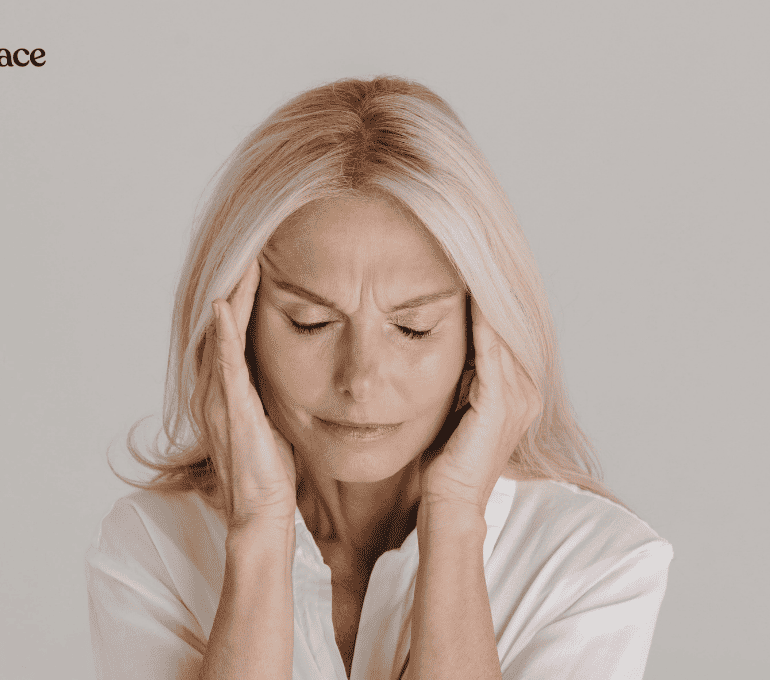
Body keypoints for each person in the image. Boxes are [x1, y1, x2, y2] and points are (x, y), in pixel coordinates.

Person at [85, 76, 672, 680]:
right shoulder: (153, 548)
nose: (360, 380)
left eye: (413, 328)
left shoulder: (595, 562)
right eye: (311, 323)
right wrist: (259, 530)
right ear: (237, 330)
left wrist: (455, 518)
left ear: (483, 333)